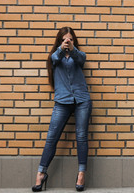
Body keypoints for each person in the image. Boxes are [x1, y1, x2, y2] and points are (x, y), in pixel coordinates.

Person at [32, 27, 92, 192]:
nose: (68, 42)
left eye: (70, 39)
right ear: (59, 41)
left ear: (74, 41)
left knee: (81, 137)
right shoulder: (55, 57)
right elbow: (54, 58)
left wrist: (72, 50)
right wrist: (62, 48)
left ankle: (81, 174)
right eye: (64, 39)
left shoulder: (79, 55)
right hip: (62, 102)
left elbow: (81, 60)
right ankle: (41, 173)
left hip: (82, 101)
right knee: (51, 138)